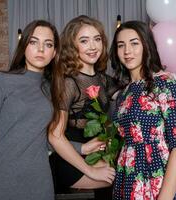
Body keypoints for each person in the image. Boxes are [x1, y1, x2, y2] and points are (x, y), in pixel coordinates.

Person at [0, 20, 59, 200]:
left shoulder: (53, 89)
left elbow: (48, 140)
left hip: (39, 183)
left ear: (54, 52)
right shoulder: (1, 81)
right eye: (33, 42)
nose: (41, 49)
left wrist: (83, 147)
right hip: (1, 181)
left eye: (48, 44)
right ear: (24, 45)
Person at [110, 21, 176, 199]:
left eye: (134, 43)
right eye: (120, 45)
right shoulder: (123, 93)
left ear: (146, 45)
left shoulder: (164, 83)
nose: (127, 51)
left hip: (158, 177)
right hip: (128, 178)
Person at [48, 15, 118, 197]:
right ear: (73, 46)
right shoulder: (68, 83)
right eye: (84, 41)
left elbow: (133, 96)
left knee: (129, 170)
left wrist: (156, 75)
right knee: (123, 178)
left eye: (97, 39)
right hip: (73, 163)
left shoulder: (104, 80)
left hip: (96, 156)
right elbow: (55, 136)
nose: (93, 46)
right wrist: (90, 170)